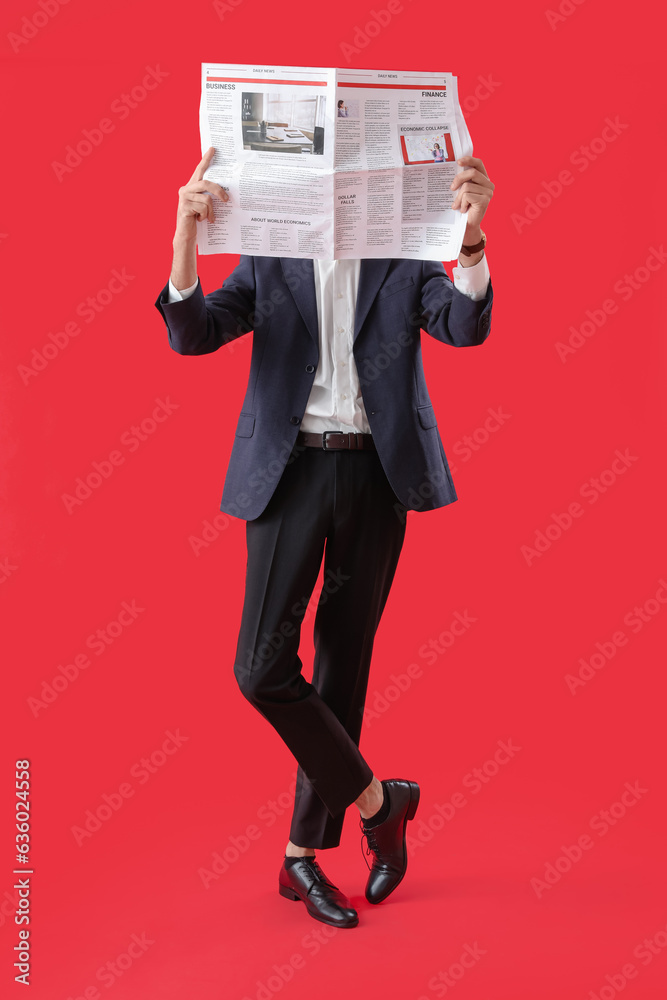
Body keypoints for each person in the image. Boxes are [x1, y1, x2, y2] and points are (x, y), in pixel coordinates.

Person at [154, 146, 494, 929]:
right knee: (261, 668)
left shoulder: (403, 253)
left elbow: (464, 326)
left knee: (344, 664)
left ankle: (300, 858)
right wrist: (182, 236)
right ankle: (382, 803)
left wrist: (470, 239)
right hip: (290, 472)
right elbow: (193, 333)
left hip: (375, 476)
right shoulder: (270, 253)